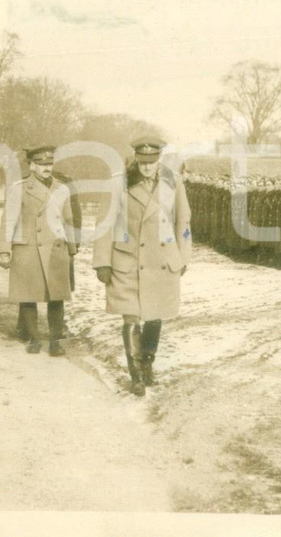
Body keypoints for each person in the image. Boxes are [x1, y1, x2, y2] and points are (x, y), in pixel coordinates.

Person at [92, 136, 191, 396]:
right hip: (128, 261)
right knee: (131, 316)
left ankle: (148, 367)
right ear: (136, 159)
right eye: (143, 161)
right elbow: (104, 224)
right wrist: (102, 262)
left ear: (159, 159)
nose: (147, 167)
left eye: (152, 161)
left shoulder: (173, 181)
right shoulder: (118, 183)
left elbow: (183, 221)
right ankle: (135, 375)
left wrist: (182, 257)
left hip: (162, 261)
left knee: (154, 316)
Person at [0, 145, 76, 356]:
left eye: (49, 163)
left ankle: (55, 342)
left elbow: (68, 220)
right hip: (28, 247)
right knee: (28, 296)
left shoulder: (62, 188)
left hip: (55, 249)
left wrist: (72, 247)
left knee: (57, 297)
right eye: (41, 164)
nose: (46, 168)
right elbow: (9, 220)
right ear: (32, 166)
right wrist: (4, 249)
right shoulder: (19, 188)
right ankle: (33, 337)